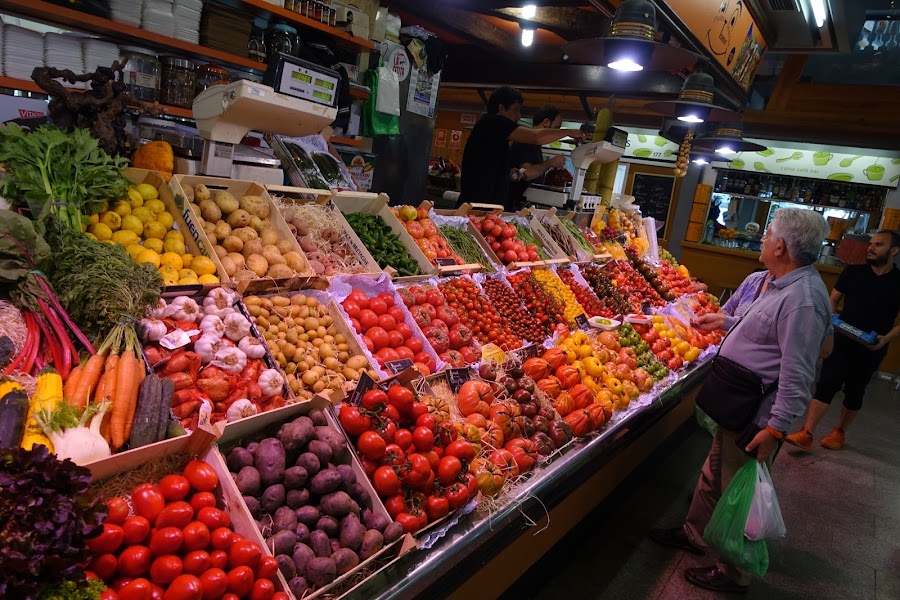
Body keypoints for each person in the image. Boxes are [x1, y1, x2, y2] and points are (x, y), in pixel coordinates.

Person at [651, 208, 832, 593]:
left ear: (781, 246)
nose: (763, 239)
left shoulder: (803, 299)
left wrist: (776, 428)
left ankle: (734, 571)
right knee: (714, 473)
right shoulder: (781, 284)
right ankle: (695, 534)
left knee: (740, 493)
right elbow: (767, 334)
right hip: (736, 406)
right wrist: (726, 323)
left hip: (756, 416)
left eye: (768, 234)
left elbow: (799, 373)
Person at [784, 229, 900, 451]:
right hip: (842, 339)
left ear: (894, 250)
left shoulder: (898, 281)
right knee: (827, 383)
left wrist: (886, 339)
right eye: (871, 243)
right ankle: (806, 433)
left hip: (872, 346)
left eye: (878, 245)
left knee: (855, 391)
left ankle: (839, 431)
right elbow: (834, 298)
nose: (871, 247)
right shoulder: (854, 272)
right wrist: (830, 323)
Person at [458, 87, 584, 211]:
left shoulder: (494, 132)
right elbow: (536, 137)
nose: (519, 116)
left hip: (486, 207)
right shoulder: (493, 122)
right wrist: (568, 132)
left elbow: (486, 166)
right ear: (501, 108)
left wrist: (509, 173)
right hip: (476, 207)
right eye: (515, 110)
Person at [507, 105, 567, 210]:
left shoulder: (535, 146)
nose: (556, 134)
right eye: (556, 128)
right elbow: (527, 173)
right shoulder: (525, 142)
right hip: (516, 207)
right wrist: (550, 163)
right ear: (546, 123)